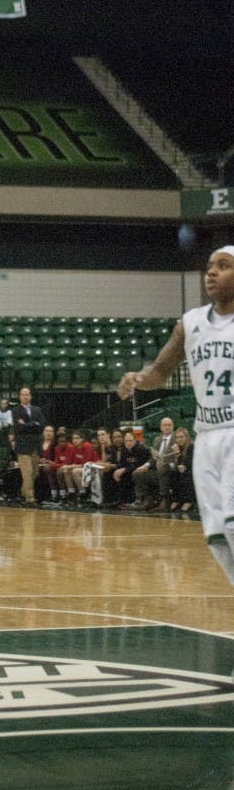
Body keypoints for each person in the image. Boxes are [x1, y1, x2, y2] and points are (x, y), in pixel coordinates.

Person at [119, 246, 234, 580]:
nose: (211, 273)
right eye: (210, 266)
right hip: (207, 436)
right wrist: (138, 379)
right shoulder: (191, 323)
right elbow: (161, 370)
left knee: (231, 522)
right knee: (216, 536)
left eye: (223, 267)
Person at [11, 386, 43, 506]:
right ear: (20, 396)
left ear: (30, 396)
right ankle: (30, 498)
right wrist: (33, 424)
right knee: (27, 473)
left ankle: (23, 493)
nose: (25, 396)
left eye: (27, 394)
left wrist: (27, 425)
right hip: (23, 447)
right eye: (23, 394)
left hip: (35, 446)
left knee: (35, 473)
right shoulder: (16, 410)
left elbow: (41, 426)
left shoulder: (37, 410)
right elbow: (19, 428)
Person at [170, 427, 196, 512]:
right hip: (184, 469)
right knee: (173, 473)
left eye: (181, 437)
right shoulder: (179, 447)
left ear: (187, 437)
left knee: (186, 473)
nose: (179, 439)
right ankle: (176, 500)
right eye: (177, 438)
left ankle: (189, 501)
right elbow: (179, 464)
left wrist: (177, 453)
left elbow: (187, 463)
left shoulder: (192, 446)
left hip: (194, 470)